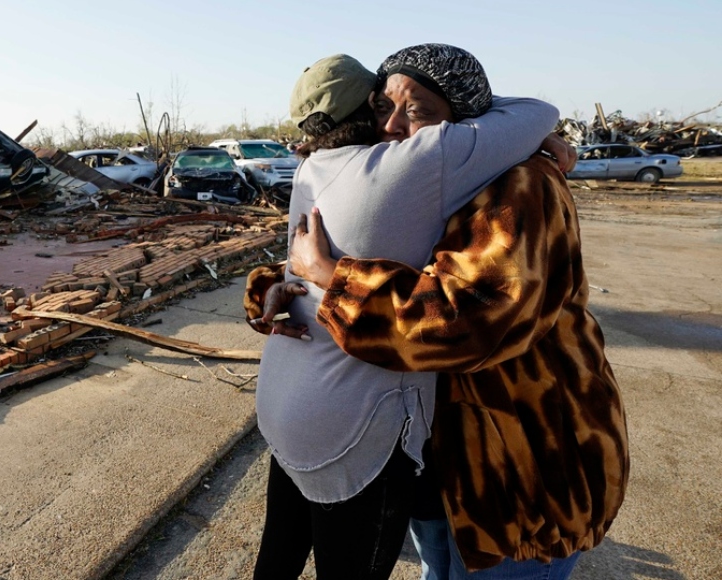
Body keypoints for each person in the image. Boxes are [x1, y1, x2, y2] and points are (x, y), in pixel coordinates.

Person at [248, 44, 629, 579]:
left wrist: (333, 279)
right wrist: (279, 286)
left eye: (419, 112)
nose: (392, 127)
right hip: (439, 459)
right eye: (383, 107)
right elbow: (374, 248)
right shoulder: (412, 171)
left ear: (466, 119)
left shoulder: (521, 184)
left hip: (518, 466)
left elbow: (466, 324)